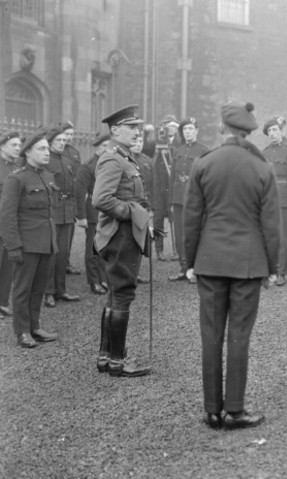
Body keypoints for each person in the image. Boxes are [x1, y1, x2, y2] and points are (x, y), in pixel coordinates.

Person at [184, 101, 280, 430]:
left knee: (211, 337)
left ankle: (212, 411)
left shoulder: (203, 163)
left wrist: (190, 262)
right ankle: (235, 410)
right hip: (248, 263)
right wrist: (272, 267)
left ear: (223, 129)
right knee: (239, 336)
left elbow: (192, 219)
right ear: (248, 131)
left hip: (209, 261)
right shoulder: (262, 167)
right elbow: (271, 224)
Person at [92, 104, 152, 377]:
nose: (136, 131)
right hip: (120, 236)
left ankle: (106, 357)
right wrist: (134, 212)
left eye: (137, 127)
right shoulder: (112, 158)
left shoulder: (126, 158)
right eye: (131, 127)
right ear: (115, 130)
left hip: (126, 233)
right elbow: (101, 199)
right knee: (122, 295)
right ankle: (118, 361)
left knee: (115, 295)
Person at [0, 132, 58, 348]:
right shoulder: (17, 179)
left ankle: (35, 326)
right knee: (22, 289)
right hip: (26, 244)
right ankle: (22, 331)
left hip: (46, 242)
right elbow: (7, 216)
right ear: (28, 152)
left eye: (47, 149)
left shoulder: (47, 176)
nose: (47, 153)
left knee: (38, 288)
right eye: (42, 149)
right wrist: (13, 246)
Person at [168, 117, 209, 283]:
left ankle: (196, 271)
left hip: (195, 200)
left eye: (191, 129)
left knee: (195, 235)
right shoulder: (177, 151)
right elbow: (172, 178)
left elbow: (207, 178)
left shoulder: (204, 151)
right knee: (180, 236)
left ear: (197, 131)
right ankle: (183, 268)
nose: (188, 132)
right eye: (185, 130)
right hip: (178, 199)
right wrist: (171, 202)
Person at [43, 128, 79, 307]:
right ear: (50, 143)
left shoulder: (67, 161)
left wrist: (75, 211)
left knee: (63, 254)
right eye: (58, 140)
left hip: (67, 211)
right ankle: (48, 292)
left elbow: (74, 188)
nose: (62, 143)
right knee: (52, 253)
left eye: (64, 140)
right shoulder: (45, 161)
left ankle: (61, 290)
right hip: (53, 210)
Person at [75, 133, 110, 295]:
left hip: (108, 212)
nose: (107, 149)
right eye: (104, 146)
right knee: (93, 250)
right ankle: (94, 281)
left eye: (109, 146)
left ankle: (103, 278)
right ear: (96, 147)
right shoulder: (88, 167)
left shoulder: (111, 163)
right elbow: (80, 193)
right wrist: (81, 216)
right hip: (94, 214)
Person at [262, 116, 287, 286]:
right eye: (270, 131)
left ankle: (284, 272)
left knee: (284, 238)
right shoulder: (264, 152)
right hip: (269, 199)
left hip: (284, 200)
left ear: (282, 131)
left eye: (275, 130)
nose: (273, 133)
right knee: (269, 236)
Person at [0, 131, 23, 318]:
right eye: (13, 145)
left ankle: (2, 302)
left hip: (11, 224)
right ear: (2, 146)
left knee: (8, 264)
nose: (18, 148)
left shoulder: (18, 167)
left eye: (19, 145)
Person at [151, 115, 179, 261]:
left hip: (172, 185)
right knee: (158, 218)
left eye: (173, 125)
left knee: (176, 218)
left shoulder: (180, 143)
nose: (170, 128)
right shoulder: (155, 141)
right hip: (158, 187)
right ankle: (159, 250)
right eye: (167, 126)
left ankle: (177, 250)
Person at [130, 131, 155, 285]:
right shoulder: (125, 160)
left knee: (140, 240)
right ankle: (127, 274)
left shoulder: (147, 161)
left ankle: (135, 272)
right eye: (135, 141)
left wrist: (151, 207)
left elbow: (152, 185)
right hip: (131, 205)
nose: (138, 144)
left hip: (144, 205)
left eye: (140, 142)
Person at [60, 121, 82, 276]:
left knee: (70, 234)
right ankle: (60, 265)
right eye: (66, 134)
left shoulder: (74, 152)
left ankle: (66, 262)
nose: (68, 137)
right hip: (60, 198)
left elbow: (78, 175)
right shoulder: (56, 150)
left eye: (70, 134)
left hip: (71, 197)